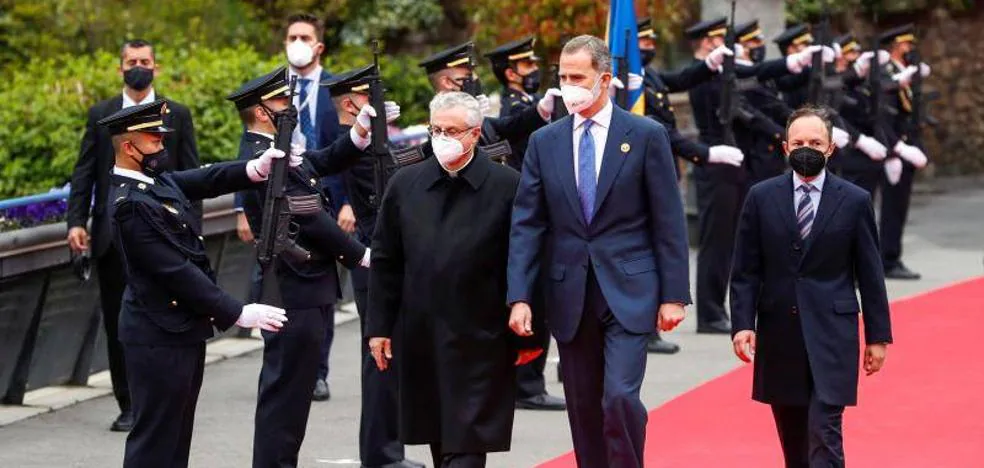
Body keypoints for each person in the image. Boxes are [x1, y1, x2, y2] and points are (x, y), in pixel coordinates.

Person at [508, 35, 691, 468]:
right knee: (585, 407)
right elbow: (527, 224)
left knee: (620, 398)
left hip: (630, 289)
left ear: (604, 79)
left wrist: (674, 294)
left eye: (578, 77)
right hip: (569, 291)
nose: (568, 85)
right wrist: (519, 295)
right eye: (563, 76)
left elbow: (668, 218)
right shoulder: (544, 142)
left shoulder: (645, 135)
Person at [101, 99, 289, 468]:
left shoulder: (152, 183)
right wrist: (237, 311)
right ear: (128, 146)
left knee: (176, 437)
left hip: (179, 330)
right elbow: (174, 272)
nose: (161, 144)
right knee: (155, 441)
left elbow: (205, 178)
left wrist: (253, 168)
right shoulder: (130, 204)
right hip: (157, 335)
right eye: (153, 139)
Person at [226, 67, 396, 468]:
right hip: (295, 289)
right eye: (283, 101)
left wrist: (358, 136)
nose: (291, 107)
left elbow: (317, 164)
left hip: (306, 288)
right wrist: (363, 255)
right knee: (284, 401)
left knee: (293, 399)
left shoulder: (275, 149)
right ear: (264, 112)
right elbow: (310, 216)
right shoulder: (261, 156)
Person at [367, 92, 543, 468]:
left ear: (476, 134)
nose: (443, 138)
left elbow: (527, 259)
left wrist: (533, 329)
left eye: (453, 131)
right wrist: (378, 328)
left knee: (465, 446)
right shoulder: (405, 184)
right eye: (436, 130)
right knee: (439, 439)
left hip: (482, 337)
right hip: (421, 334)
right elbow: (386, 262)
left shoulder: (507, 185)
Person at [730, 106, 892, 467]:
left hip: (834, 334)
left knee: (825, 432)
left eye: (816, 142)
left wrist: (878, 337)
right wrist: (742, 324)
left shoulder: (854, 200)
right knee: (794, 441)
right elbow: (745, 270)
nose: (807, 149)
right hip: (780, 334)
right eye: (799, 142)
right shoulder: (761, 197)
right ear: (786, 148)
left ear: (831, 148)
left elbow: (870, 273)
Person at [66, 38, 201, 432]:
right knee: (119, 323)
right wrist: (76, 221)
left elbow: (191, 178)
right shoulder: (101, 115)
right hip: (114, 240)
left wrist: (192, 233)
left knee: (166, 317)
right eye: (131, 61)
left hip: (166, 239)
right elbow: (84, 172)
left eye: (144, 61)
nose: (137, 66)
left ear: (155, 67)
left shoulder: (177, 115)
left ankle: (164, 397)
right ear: (120, 67)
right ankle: (129, 404)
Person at [321, 65, 426, 468]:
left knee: (389, 353)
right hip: (373, 256)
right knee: (380, 354)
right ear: (352, 104)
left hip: (385, 254)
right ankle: (381, 454)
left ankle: (387, 449)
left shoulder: (375, 145)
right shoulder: (351, 146)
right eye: (371, 97)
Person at [685, 17, 817, 335]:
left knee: (731, 241)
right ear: (707, 43)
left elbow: (752, 74)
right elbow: (743, 101)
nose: (726, 49)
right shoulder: (704, 75)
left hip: (734, 164)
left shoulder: (723, 72)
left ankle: (720, 308)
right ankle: (710, 312)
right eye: (718, 42)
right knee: (716, 243)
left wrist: (790, 62)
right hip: (715, 162)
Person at [483, 37, 567, 411]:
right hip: (525, 210)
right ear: (510, 72)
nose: (533, 71)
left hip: (538, 209)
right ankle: (527, 384)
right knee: (531, 299)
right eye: (527, 66)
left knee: (539, 298)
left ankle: (529, 381)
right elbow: (511, 130)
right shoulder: (513, 108)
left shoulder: (527, 105)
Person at [280, 12, 350, 400]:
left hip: (325, 198)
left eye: (305, 36)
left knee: (322, 286)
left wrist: (350, 203)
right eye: (292, 36)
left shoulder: (335, 88)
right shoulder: (272, 89)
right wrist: (243, 208)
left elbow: (347, 150)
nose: (297, 43)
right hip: (283, 197)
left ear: (319, 45)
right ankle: (288, 362)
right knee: (283, 283)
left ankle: (318, 371)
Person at [418, 42, 558, 165]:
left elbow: (511, 125)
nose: (474, 80)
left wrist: (542, 108)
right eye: (467, 78)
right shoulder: (440, 132)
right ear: (447, 82)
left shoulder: (482, 119)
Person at [879, 24, 931, 280]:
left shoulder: (903, 72)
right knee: (892, 207)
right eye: (906, 45)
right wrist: (893, 150)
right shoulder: (887, 73)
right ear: (896, 46)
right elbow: (884, 115)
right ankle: (888, 259)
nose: (909, 49)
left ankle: (891, 255)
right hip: (896, 147)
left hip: (907, 145)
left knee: (899, 206)